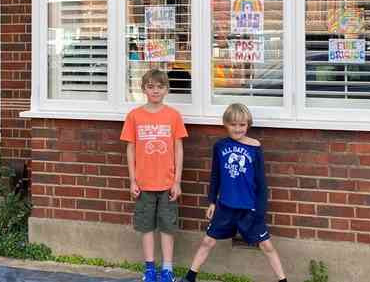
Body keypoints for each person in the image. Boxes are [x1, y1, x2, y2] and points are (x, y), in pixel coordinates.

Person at [184, 103, 287, 282]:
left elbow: (261, 184)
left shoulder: (255, 148)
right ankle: (190, 277)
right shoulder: (220, 147)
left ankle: (283, 280)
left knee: (266, 245)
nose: (238, 129)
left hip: (248, 207)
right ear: (225, 124)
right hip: (225, 206)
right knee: (207, 241)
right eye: (233, 124)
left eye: (242, 125)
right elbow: (215, 175)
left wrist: (260, 211)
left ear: (248, 125)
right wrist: (212, 202)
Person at [121, 69, 188, 282]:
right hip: (143, 184)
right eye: (150, 87)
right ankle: (149, 268)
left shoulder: (173, 116)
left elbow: (178, 149)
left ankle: (167, 268)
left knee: (168, 228)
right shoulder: (134, 116)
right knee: (146, 227)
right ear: (143, 90)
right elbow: (130, 149)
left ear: (167, 89)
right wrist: (133, 180)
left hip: (167, 184)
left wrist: (177, 181)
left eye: (160, 87)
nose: (155, 91)